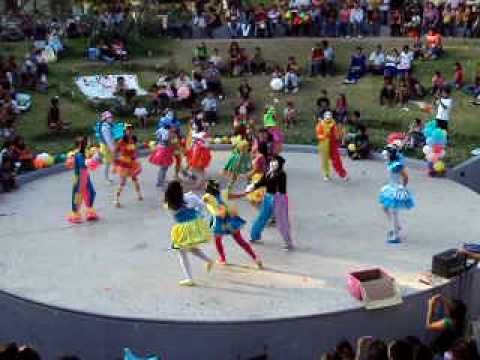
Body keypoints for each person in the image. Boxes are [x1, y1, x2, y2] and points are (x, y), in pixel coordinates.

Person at [164, 180, 214, 287]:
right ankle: (209, 261)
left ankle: (189, 278)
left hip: (183, 228)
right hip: (195, 224)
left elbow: (174, 215)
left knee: (182, 253)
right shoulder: (191, 197)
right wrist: (197, 212)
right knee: (191, 248)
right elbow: (201, 206)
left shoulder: (169, 204)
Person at [202, 180, 262, 267]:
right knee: (240, 241)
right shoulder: (223, 194)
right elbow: (236, 196)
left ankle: (223, 259)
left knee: (218, 241)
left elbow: (203, 200)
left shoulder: (207, 197)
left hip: (217, 221)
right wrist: (246, 193)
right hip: (230, 220)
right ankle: (255, 258)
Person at [247, 155, 293, 250]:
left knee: (281, 221)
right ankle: (254, 236)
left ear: (279, 164)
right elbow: (261, 182)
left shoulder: (281, 174)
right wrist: (253, 186)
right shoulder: (268, 173)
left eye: (275, 162)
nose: (272, 163)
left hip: (279, 198)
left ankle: (288, 242)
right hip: (268, 197)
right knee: (262, 217)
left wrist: (268, 176)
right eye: (271, 162)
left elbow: (274, 184)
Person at [379, 144, 414, 243]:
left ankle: (396, 236)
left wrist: (402, 187)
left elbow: (406, 177)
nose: (385, 155)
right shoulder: (390, 163)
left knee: (394, 212)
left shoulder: (397, 165)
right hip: (390, 187)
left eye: (387, 153)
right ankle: (397, 226)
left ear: (391, 154)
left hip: (396, 189)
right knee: (384, 207)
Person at [68, 137, 98, 224]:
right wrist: (92, 160)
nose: (87, 144)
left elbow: (88, 160)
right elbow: (83, 164)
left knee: (91, 193)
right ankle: (75, 214)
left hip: (85, 175)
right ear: (80, 145)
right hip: (79, 177)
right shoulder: (78, 154)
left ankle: (89, 211)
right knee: (78, 196)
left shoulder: (82, 153)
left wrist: (94, 156)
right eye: (85, 143)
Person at [113, 124, 143, 207]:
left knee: (135, 179)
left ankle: (139, 195)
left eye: (131, 129)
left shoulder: (133, 139)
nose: (129, 131)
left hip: (132, 162)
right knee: (122, 182)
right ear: (124, 131)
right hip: (124, 163)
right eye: (128, 130)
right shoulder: (121, 141)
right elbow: (115, 151)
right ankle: (116, 200)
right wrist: (115, 161)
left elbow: (135, 150)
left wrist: (135, 156)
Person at [316, 111, 348, 181]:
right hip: (324, 145)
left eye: (329, 117)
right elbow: (318, 135)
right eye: (326, 117)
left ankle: (343, 174)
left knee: (337, 160)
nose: (328, 119)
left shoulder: (334, 124)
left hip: (333, 145)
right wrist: (324, 136)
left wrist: (340, 134)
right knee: (325, 161)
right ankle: (326, 174)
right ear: (324, 117)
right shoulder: (320, 124)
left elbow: (337, 135)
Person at [96, 111, 117, 182]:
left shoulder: (108, 125)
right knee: (107, 163)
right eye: (109, 117)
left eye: (111, 117)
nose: (111, 119)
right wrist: (113, 148)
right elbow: (108, 140)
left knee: (109, 161)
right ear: (105, 119)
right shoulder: (105, 128)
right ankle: (106, 178)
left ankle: (97, 156)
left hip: (106, 146)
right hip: (106, 147)